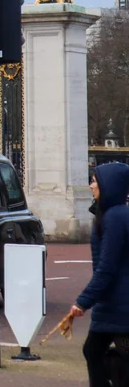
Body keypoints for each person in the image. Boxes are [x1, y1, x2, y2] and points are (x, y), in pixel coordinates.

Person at [69, 162, 129, 387]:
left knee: (96, 351)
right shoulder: (113, 215)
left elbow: (107, 267)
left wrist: (83, 301)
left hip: (119, 305)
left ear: (108, 185)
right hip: (114, 304)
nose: (91, 185)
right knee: (94, 350)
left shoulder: (115, 217)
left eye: (95, 181)